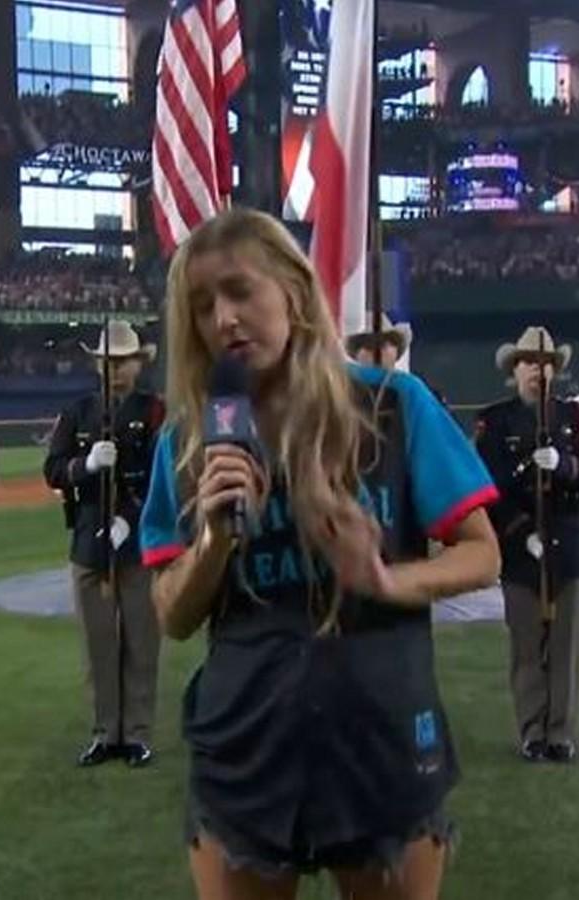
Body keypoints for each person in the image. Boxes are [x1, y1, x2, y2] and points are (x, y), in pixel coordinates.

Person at [139, 209, 500, 899]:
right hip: (246, 742)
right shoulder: (189, 441)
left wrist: (385, 578)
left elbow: (482, 555)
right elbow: (172, 614)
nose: (224, 319)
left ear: (295, 293)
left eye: (241, 291)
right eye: (202, 306)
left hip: (382, 735)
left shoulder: (392, 407)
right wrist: (215, 538)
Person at [474, 326, 579, 764]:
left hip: (567, 543)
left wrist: (565, 464)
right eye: (530, 362)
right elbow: (486, 485)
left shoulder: (577, 418)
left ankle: (560, 732)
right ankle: (532, 731)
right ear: (515, 370)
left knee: (566, 646)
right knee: (527, 646)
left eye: (547, 364)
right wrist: (518, 524)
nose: (539, 371)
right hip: (520, 544)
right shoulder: (494, 421)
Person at [44, 320, 164, 769]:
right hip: (89, 543)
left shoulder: (155, 411)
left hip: (135, 545)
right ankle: (104, 733)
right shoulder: (78, 412)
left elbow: (161, 477)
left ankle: (137, 734)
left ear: (138, 364)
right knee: (98, 647)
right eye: (108, 362)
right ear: (98, 364)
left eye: (124, 362)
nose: (115, 370)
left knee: (140, 643)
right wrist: (86, 464)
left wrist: (129, 521)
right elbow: (53, 469)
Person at [345, 313, 409, 370]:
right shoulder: (344, 381)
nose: (377, 353)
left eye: (383, 344)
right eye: (369, 345)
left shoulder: (408, 382)